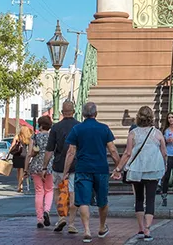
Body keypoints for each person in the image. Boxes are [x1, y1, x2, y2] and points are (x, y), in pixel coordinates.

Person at [65, 101, 121, 244]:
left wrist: (66, 171)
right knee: (103, 200)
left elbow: (71, 152)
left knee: (83, 200)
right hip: (101, 169)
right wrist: (119, 166)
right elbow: (113, 150)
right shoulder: (104, 129)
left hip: (83, 168)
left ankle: (87, 230)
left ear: (83, 114)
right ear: (96, 113)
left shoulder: (77, 129)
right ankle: (102, 227)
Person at [113, 106, 166, 241]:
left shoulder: (133, 133)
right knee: (151, 199)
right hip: (153, 168)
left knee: (139, 198)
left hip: (137, 169)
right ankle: (148, 229)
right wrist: (164, 164)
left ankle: (141, 228)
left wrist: (119, 168)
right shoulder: (158, 133)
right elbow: (164, 152)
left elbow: (127, 153)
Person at [45, 100, 80, 235]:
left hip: (58, 165)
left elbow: (49, 149)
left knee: (57, 191)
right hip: (74, 165)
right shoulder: (78, 126)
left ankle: (61, 217)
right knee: (72, 193)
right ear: (74, 111)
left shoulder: (55, 127)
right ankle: (71, 223)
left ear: (62, 112)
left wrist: (44, 166)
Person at [28, 115, 55, 228]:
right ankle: (47, 211)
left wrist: (25, 169)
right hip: (49, 166)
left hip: (36, 166)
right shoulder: (52, 137)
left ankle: (39, 219)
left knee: (39, 192)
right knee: (49, 190)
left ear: (40, 125)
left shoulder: (34, 137)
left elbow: (30, 153)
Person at [10, 125, 33, 193]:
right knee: (22, 171)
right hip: (25, 155)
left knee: (19, 171)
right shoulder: (28, 137)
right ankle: (20, 185)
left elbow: (12, 146)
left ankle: (20, 185)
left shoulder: (17, 136)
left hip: (17, 155)